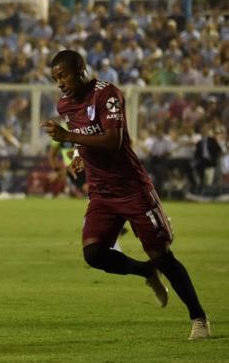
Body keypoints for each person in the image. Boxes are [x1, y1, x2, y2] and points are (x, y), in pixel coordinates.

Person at [43, 49, 210, 340]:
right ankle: (146, 272)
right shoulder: (65, 104)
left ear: (80, 70)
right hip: (101, 191)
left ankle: (199, 318)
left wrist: (68, 137)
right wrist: (78, 155)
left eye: (63, 76)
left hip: (132, 188)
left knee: (162, 256)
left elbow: (114, 140)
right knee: (94, 253)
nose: (59, 83)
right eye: (55, 78)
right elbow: (84, 136)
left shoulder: (107, 93)